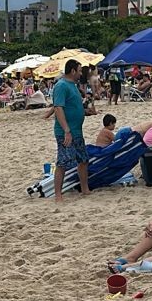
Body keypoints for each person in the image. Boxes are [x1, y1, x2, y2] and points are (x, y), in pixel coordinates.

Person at [50, 59, 89, 202]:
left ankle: (85, 189)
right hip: (66, 132)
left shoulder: (73, 86)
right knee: (63, 162)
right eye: (79, 71)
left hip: (77, 131)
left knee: (83, 159)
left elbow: (72, 106)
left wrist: (86, 111)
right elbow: (58, 108)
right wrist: (66, 130)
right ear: (72, 71)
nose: (80, 74)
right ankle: (58, 195)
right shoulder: (61, 85)